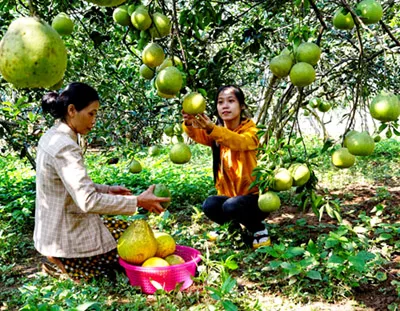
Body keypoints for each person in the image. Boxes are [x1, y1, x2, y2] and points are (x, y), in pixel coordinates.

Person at [34, 82, 170, 281]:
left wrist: (107, 190)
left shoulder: (52, 136)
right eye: (91, 113)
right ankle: (68, 266)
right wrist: (138, 201)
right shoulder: (65, 147)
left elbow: (67, 186)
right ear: (72, 110)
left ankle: (61, 262)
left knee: (128, 232)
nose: (94, 120)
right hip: (65, 237)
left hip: (53, 230)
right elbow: (87, 201)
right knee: (137, 253)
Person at [182, 85, 271, 249]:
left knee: (232, 205)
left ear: (242, 106)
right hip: (230, 197)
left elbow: (238, 142)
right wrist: (189, 122)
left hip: (254, 199)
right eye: (220, 102)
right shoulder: (216, 132)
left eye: (231, 101)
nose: (225, 106)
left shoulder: (252, 131)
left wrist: (212, 129)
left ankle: (258, 228)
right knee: (209, 204)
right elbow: (197, 133)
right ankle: (233, 228)